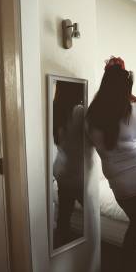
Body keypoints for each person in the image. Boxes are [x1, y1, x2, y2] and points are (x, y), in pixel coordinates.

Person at [86, 56, 136, 272]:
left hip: (122, 186)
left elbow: (97, 144)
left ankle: (124, 267)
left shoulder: (90, 117)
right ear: (126, 87)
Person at [52, 81, 85, 246]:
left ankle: (60, 245)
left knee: (64, 214)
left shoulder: (55, 109)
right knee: (92, 213)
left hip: (61, 168)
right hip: (76, 172)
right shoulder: (79, 111)